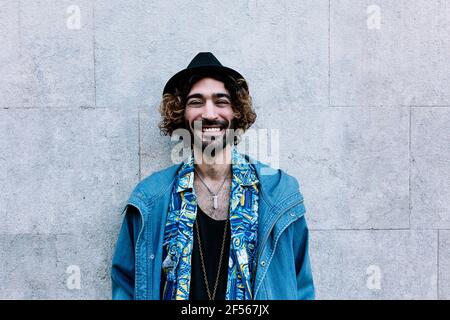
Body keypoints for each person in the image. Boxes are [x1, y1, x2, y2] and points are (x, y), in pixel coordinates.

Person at [111, 52, 315, 300]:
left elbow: (301, 285)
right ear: (181, 114)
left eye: (221, 101)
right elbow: (125, 285)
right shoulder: (150, 199)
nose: (209, 114)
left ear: (236, 112)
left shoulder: (279, 193)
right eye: (196, 102)